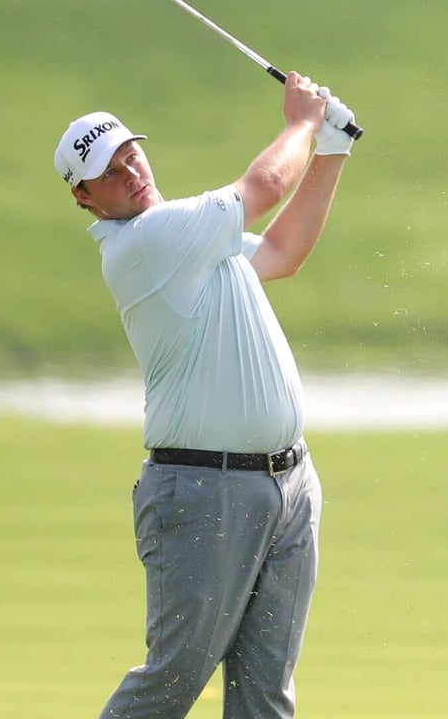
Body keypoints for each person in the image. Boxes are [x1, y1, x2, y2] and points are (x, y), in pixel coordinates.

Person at [53, 72, 356, 717]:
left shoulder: (187, 238)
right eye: (107, 172)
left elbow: (281, 251)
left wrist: (331, 149)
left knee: (266, 693)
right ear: (84, 198)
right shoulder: (144, 245)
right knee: (172, 682)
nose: (129, 171)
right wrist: (302, 121)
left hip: (290, 483)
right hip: (203, 491)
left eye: (130, 153)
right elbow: (266, 188)